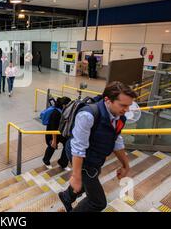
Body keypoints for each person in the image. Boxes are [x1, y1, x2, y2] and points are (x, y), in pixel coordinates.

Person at [58, 81, 137, 212]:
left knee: (86, 182)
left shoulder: (119, 116)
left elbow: (116, 139)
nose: (127, 110)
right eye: (123, 105)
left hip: (96, 157)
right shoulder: (88, 115)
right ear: (108, 100)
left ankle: (66, 196)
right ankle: (69, 195)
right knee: (98, 202)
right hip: (82, 158)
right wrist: (76, 176)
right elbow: (78, 148)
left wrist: (125, 165)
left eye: (129, 105)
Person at [42, 96, 72, 168]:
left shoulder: (64, 111)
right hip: (52, 133)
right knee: (52, 146)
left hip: (60, 132)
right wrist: (54, 141)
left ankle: (63, 162)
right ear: (64, 105)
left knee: (67, 145)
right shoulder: (55, 113)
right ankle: (46, 161)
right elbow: (53, 128)